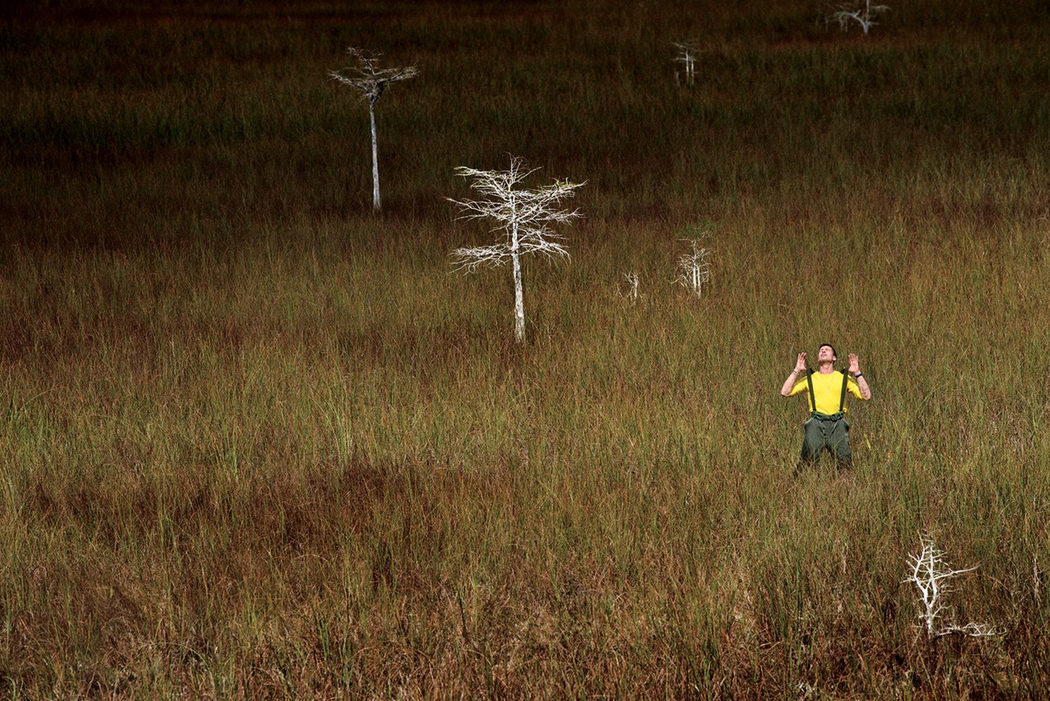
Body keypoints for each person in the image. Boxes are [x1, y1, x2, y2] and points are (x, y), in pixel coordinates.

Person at [780, 343, 871, 470]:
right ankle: (804, 482)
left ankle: (844, 485)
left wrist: (857, 372)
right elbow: (785, 392)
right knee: (808, 461)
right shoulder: (810, 378)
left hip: (838, 423)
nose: (823, 351)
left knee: (845, 462)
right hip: (816, 422)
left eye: (827, 350)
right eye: (820, 350)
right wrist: (796, 370)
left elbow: (866, 396)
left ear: (834, 358)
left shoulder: (843, 378)